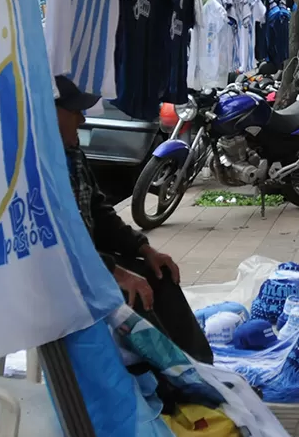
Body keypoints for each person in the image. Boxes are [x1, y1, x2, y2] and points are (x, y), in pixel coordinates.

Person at [54, 76, 212, 362]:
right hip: (61, 276)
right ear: (49, 113)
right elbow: (57, 247)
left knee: (161, 277)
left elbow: (99, 212)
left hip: (93, 264)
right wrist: (117, 273)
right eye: (74, 112)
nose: (81, 120)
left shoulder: (72, 154)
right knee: (136, 294)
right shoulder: (37, 168)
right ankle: (171, 380)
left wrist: (145, 249)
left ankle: (199, 369)